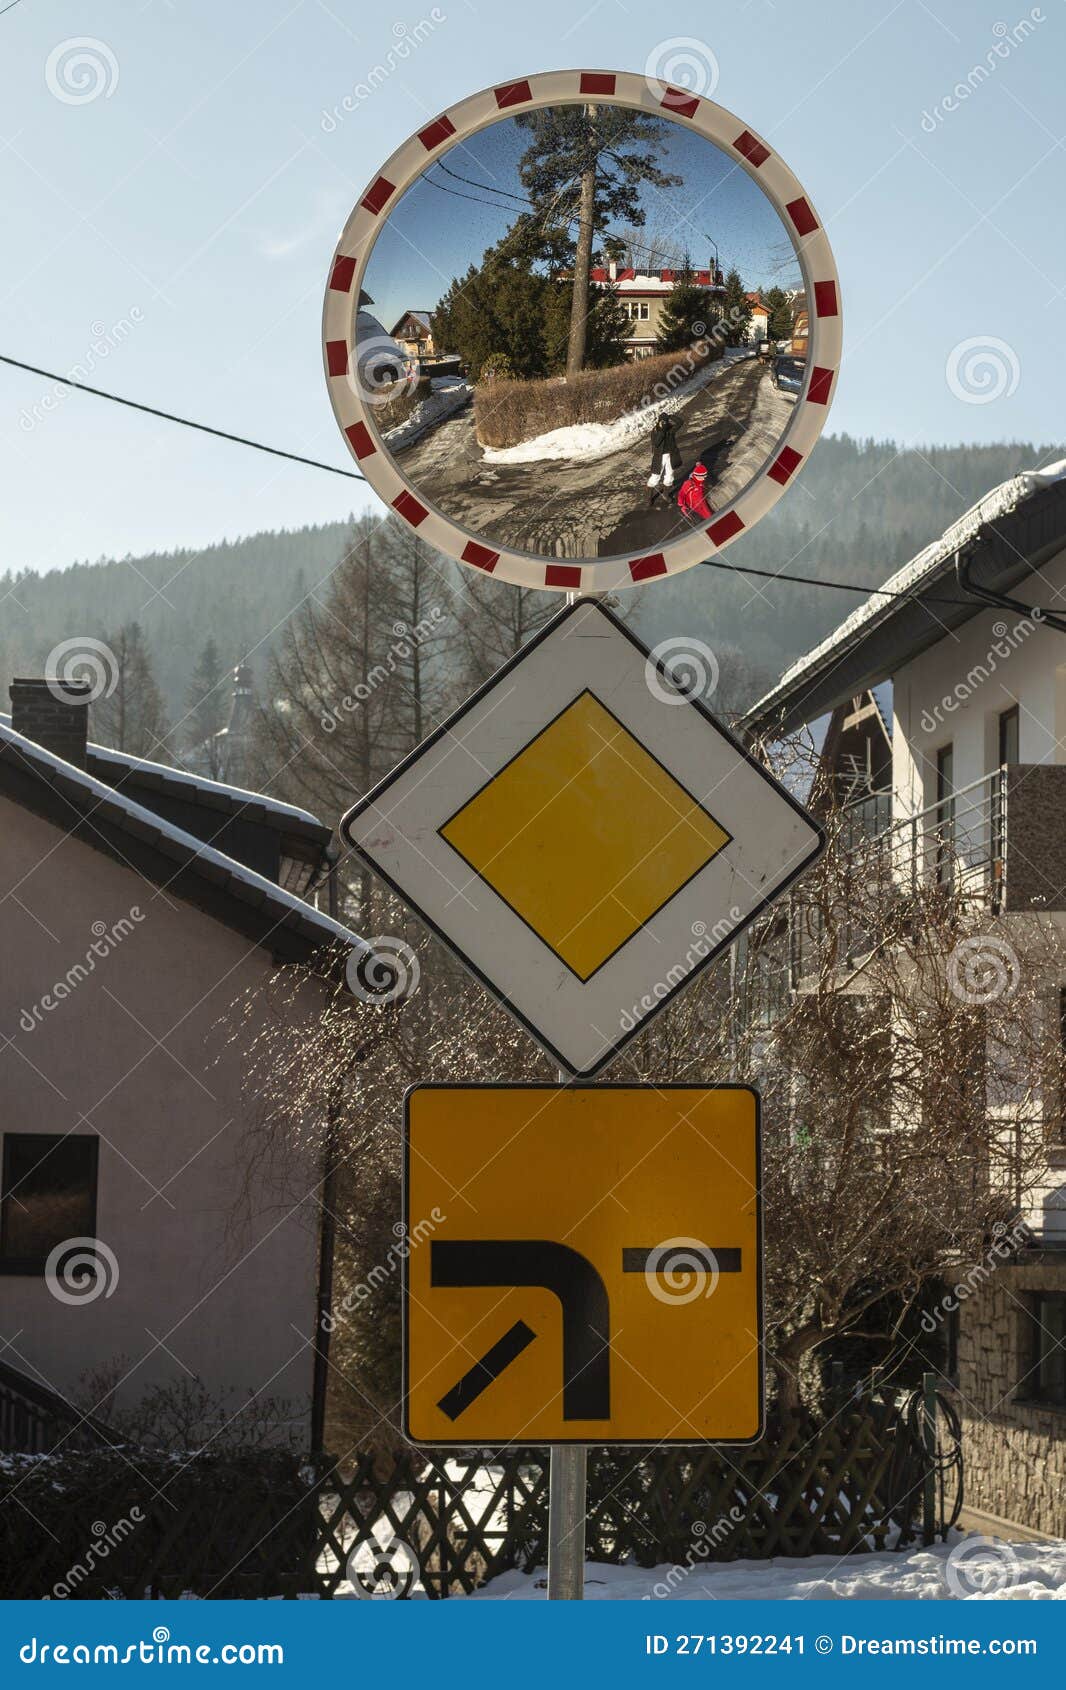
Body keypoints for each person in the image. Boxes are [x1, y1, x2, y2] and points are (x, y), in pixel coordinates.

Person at [647, 414, 681, 506]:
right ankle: (649, 497)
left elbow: (680, 422)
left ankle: (666, 495)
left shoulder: (670, 429)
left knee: (670, 475)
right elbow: (656, 443)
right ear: (658, 422)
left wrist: (670, 416)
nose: (664, 423)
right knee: (655, 476)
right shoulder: (655, 431)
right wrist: (662, 430)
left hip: (671, 455)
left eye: (665, 422)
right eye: (662, 422)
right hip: (659, 457)